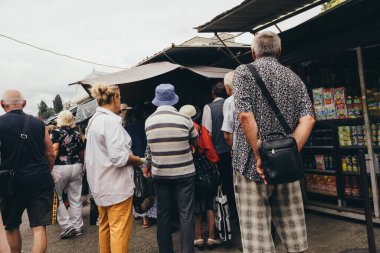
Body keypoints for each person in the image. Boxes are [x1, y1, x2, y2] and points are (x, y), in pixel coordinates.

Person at [233, 31, 315, 253]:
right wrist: (284, 155)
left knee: (257, 238)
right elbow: (307, 119)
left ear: (253, 53)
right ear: (279, 51)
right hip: (286, 168)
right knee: (294, 234)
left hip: (251, 165)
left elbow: (245, 116)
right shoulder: (293, 77)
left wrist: (262, 156)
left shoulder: (243, 73)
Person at [85, 83, 144, 253]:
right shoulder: (110, 121)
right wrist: (139, 160)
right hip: (115, 186)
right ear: (115, 98)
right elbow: (119, 157)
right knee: (119, 230)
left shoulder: (94, 121)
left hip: (100, 184)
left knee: (105, 227)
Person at [145, 84, 199, 253]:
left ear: (157, 101)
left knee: (163, 214)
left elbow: (149, 149)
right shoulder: (185, 119)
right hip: (185, 173)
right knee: (186, 214)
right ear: (173, 99)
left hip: (160, 174)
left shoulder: (149, 121)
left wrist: (147, 165)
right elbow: (195, 142)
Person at [0, 89, 55, 253]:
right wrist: (47, 170)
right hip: (40, 181)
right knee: (39, 228)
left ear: (2, 104)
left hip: (10, 185)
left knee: (11, 226)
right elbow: (50, 152)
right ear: (24, 104)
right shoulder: (38, 123)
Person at [179, 105, 220, 250]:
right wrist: (215, 164)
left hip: (189, 169)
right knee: (210, 204)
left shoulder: (181, 130)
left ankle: (197, 238)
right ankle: (211, 237)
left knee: (195, 205)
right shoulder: (202, 129)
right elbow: (210, 150)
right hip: (205, 169)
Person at [202, 82, 237, 217]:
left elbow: (207, 134)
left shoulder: (208, 108)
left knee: (222, 183)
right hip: (234, 150)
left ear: (213, 93)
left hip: (218, 152)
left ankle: (225, 213)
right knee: (234, 181)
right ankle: (235, 210)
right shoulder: (233, 103)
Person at [50, 110, 84, 239]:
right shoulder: (76, 133)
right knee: (75, 198)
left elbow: (55, 149)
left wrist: (50, 166)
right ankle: (77, 226)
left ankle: (66, 226)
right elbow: (81, 151)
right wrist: (82, 164)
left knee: (56, 196)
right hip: (76, 166)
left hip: (60, 167)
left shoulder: (56, 132)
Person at [221, 71, 235, 148]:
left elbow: (227, 135)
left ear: (227, 86)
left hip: (241, 149)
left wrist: (233, 148)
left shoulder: (229, 101)